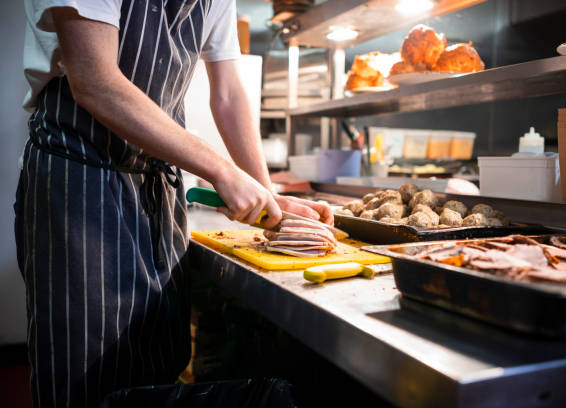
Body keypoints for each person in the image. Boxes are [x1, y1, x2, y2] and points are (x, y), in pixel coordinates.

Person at [15, 1, 332, 407]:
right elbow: (94, 79)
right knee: (86, 376)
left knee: (159, 360)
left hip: (156, 188)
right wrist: (222, 170)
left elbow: (230, 93)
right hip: (78, 179)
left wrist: (264, 193)